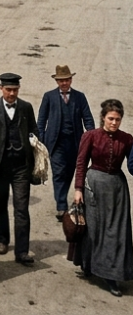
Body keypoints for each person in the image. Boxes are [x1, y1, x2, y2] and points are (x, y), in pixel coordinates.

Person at [72, 98, 133, 296]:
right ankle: (88, 265)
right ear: (103, 118)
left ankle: (112, 275)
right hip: (94, 186)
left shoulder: (127, 139)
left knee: (116, 232)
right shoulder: (90, 136)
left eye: (118, 119)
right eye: (111, 118)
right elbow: (81, 163)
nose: (114, 123)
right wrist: (78, 189)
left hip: (117, 190)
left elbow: (132, 166)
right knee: (93, 229)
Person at [0, 72, 37, 265]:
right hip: (0, 167)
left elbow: (34, 132)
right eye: (8, 90)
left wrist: (35, 152)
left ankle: (22, 251)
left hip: (21, 166)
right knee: (0, 204)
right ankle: (3, 240)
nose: (12, 94)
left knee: (22, 209)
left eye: (15, 90)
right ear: (1, 89)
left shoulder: (26, 108)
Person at [38, 65, 94, 219]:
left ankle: (68, 199)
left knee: (70, 171)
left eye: (66, 80)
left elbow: (88, 119)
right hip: (56, 144)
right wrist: (41, 139)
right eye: (60, 80)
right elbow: (41, 120)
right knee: (58, 173)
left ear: (71, 80)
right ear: (56, 81)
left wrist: (91, 136)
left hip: (75, 143)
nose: (64, 83)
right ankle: (61, 206)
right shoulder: (49, 96)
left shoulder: (79, 97)